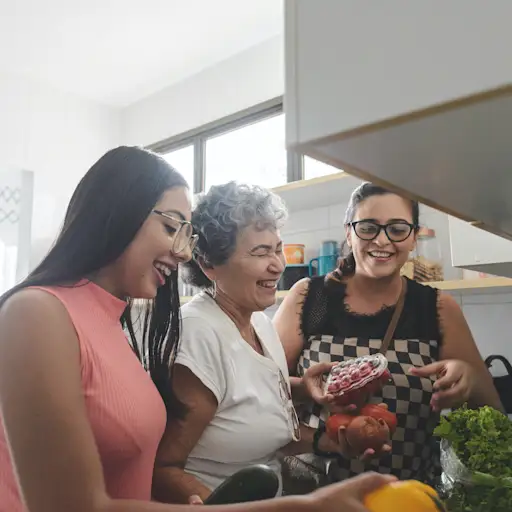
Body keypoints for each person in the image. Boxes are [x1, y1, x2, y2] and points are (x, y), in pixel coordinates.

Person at [0, 150, 395, 512]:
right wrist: (302, 508)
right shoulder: (37, 313)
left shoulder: (114, 323)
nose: (183, 251)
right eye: (172, 226)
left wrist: (299, 394)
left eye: (186, 234)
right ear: (116, 212)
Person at [274, 181, 503, 485]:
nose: (382, 241)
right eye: (368, 227)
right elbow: (260, 395)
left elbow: (493, 416)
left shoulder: (437, 308)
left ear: (414, 238)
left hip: (406, 497)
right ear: (348, 232)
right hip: (313, 496)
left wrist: (468, 379)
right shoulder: (308, 299)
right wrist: (313, 411)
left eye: (397, 229)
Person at [152, 182, 352, 505]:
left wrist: (325, 433)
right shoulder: (199, 334)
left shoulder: (257, 320)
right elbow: (163, 468)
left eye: (278, 248)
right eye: (261, 252)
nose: (279, 264)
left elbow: (254, 421)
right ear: (209, 265)